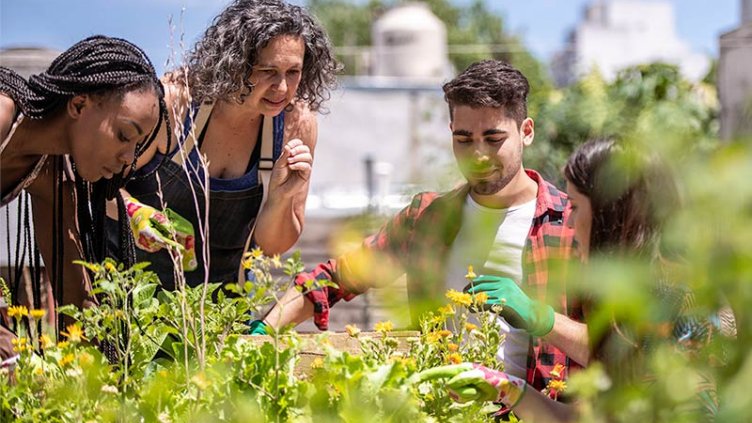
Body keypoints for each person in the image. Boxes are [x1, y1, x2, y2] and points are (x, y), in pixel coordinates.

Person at [257, 60, 587, 399]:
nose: (478, 155)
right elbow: (332, 278)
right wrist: (261, 333)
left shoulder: (572, 223)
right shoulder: (427, 218)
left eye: (493, 139)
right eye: (464, 139)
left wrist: (541, 317)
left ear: (526, 132)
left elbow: (621, 352)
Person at [424, 139, 721, 422]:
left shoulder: (679, 304)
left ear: (609, 212)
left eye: (576, 207)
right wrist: (504, 386)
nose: (568, 221)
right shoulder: (629, 302)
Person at [106, 0, 339, 289]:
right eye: (267, 71)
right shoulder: (174, 103)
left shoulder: (296, 124)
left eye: (293, 72)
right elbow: (96, 182)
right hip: (129, 290)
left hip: (221, 308)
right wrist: (135, 213)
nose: (282, 88)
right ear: (234, 63)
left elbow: (272, 248)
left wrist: (280, 199)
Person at [0, 35, 168, 365]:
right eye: (123, 136)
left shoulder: (50, 169)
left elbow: (75, 298)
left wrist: (101, 373)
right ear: (78, 105)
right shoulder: (2, 114)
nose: (127, 158)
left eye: (136, 147)